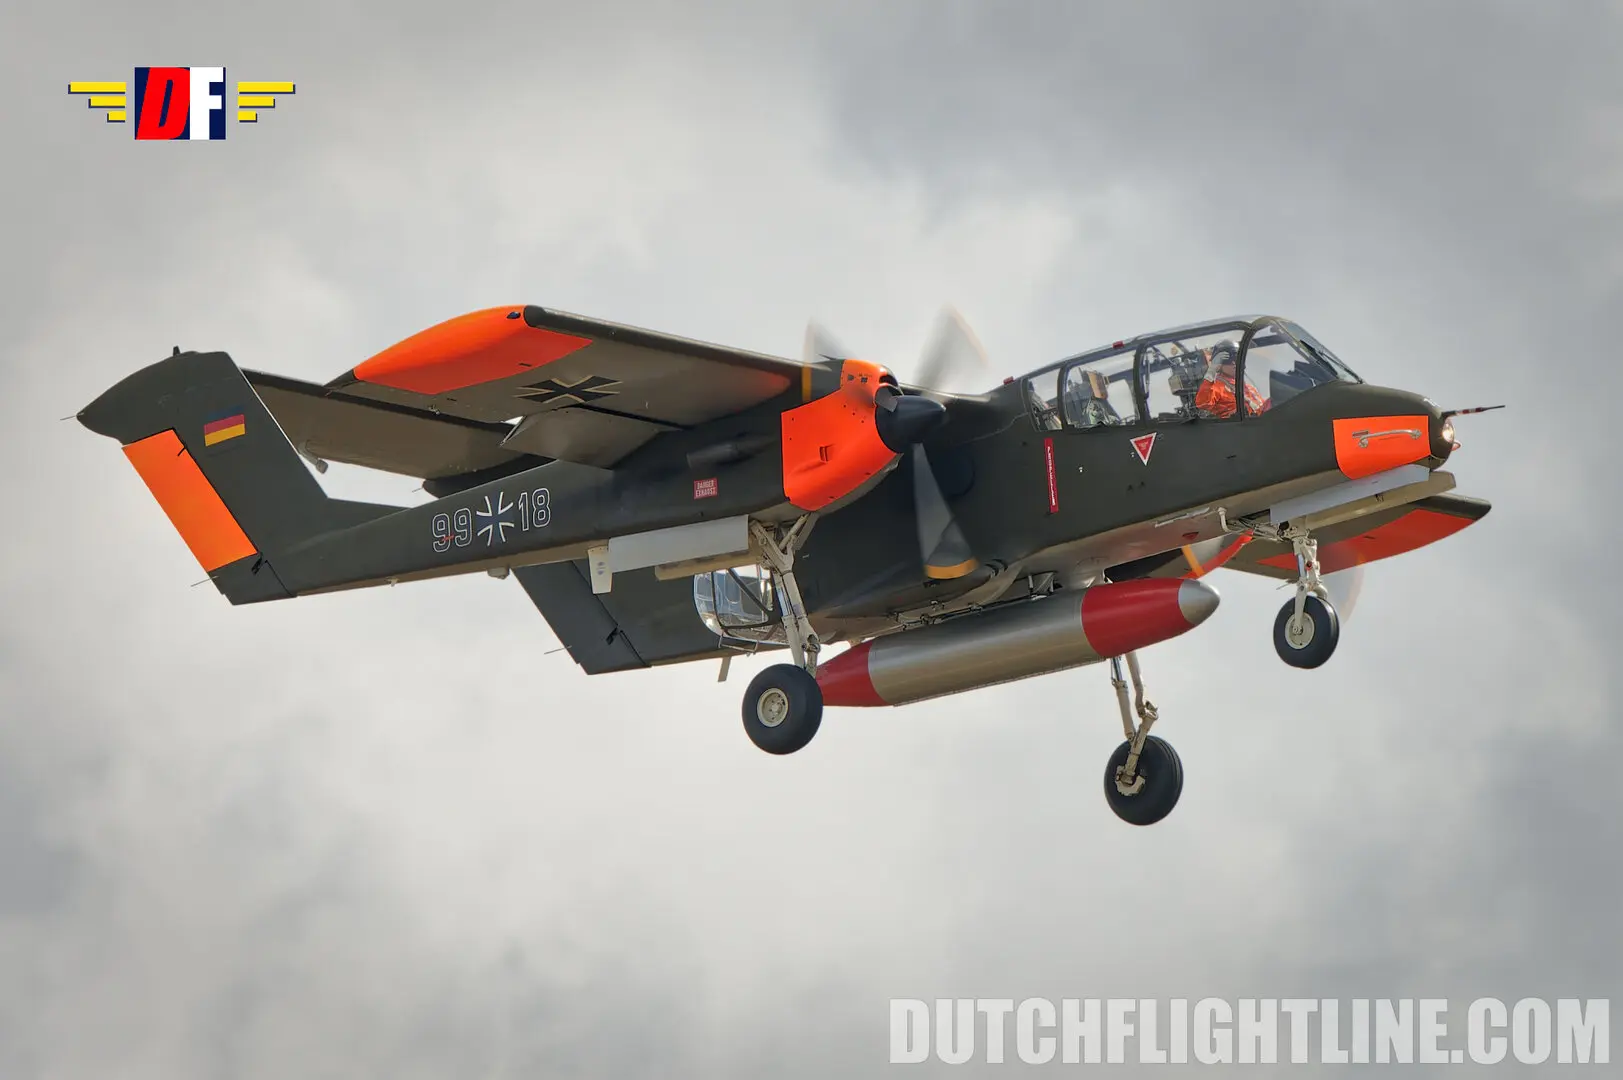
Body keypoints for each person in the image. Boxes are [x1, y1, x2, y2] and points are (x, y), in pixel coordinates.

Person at [1194, 340, 1267, 418]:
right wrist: (1212, 370)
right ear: (1219, 364)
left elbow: (1265, 409)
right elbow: (1202, 403)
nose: (1233, 363)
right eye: (1228, 359)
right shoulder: (1216, 387)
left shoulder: (1248, 387)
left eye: (1236, 358)